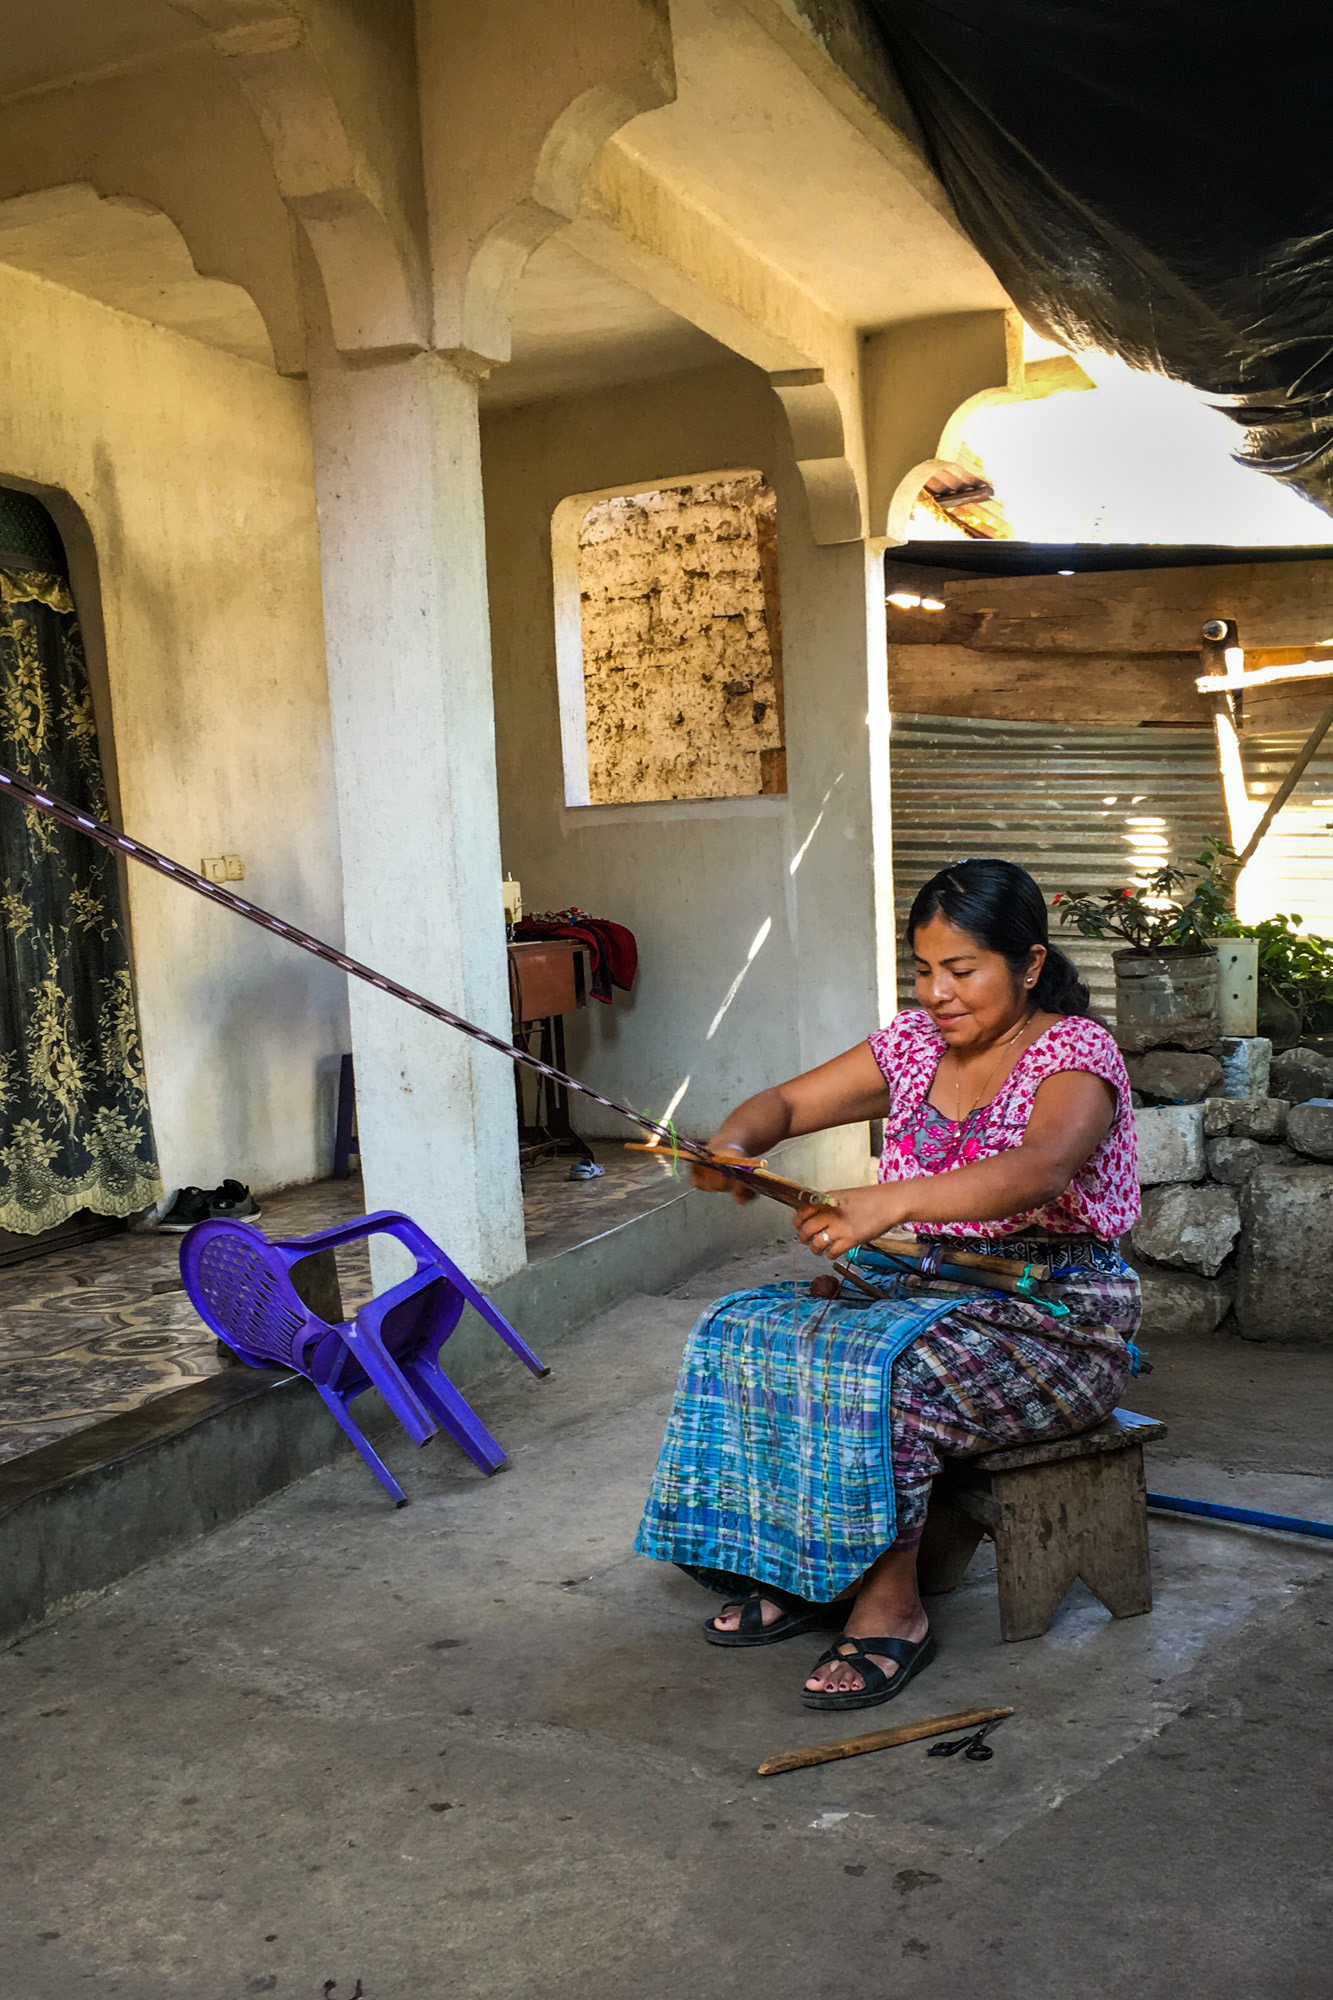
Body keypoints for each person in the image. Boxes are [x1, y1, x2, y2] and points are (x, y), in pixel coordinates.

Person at [635, 858, 1141, 1711]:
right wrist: (733, 1146)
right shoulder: (911, 1046)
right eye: (923, 969)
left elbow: (1040, 1168)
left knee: (887, 1377)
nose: (936, 993)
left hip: (1054, 1319)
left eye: (961, 970)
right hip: (919, 1289)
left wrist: (892, 1201)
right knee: (742, 1332)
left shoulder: (1074, 1053)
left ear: (1027, 964)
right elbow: (783, 1106)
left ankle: (889, 1607)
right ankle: (797, 1567)